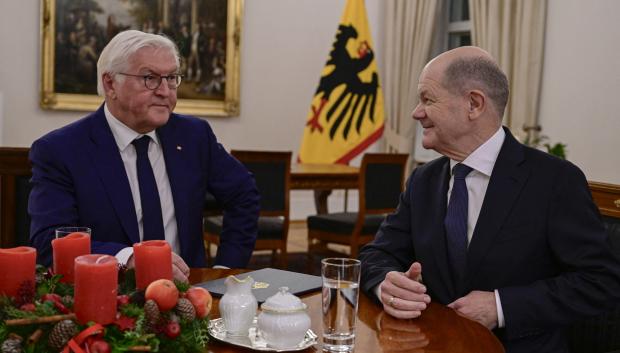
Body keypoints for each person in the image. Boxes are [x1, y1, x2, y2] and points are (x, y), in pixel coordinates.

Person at [358, 46, 620, 353]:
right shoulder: (423, 180)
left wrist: (500, 306)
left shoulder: (555, 181)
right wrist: (386, 281)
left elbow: (600, 281)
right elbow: (376, 254)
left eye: (427, 99)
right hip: (429, 344)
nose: (416, 112)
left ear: (474, 104)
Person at [29, 30, 259, 282]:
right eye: (150, 78)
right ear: (110, 84)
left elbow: (243, 195)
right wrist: (127, 259)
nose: (164, 90)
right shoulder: (61, 150)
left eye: (171, 78)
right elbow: (51, 241)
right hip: (108, 300)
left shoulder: (193, 136)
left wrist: (225, 271)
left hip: (188, 301)